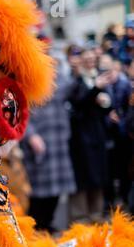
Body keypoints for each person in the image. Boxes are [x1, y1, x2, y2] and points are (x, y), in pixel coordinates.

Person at [21, 69, 76, 233]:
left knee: (57, 189)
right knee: (37, 189)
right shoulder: (26, 82)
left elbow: (71, 86)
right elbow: (20, 111)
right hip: (38, 141)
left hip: (58, 140)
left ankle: (47, 224)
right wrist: (30, 135)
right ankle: (35, 226)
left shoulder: (58, 77)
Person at [67, 48, 112, 224]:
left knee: (99, 175)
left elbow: (106, 106)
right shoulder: (76, 82)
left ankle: (96, 214)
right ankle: (80, 217)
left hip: (98, 134)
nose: (91, 62)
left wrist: (105, 103)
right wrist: (95, 90)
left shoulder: (98, 78)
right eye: (87, 59)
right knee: (83, 176)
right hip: (81, 136)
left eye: (93, 59)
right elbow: (78, 106)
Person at [101, 55, 132, 211]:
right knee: (108, 170)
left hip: (123, 134)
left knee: (124, 169)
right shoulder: (102, 84)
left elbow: (129, 109)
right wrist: (108, 117)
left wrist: (120, 120)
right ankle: (109, 202)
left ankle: (124, 199)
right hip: (107, 134)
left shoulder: (125, 85)